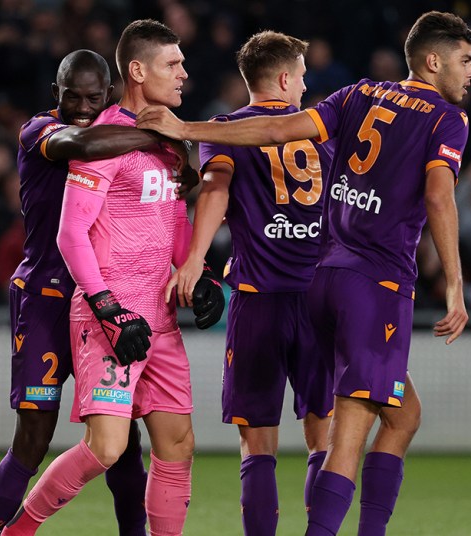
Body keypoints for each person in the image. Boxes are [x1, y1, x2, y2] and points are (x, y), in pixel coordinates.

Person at [138, 11, 471, 535]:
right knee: (336, 435)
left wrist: (184, 136)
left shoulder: (344, 99)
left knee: (366, 421)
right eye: (465, 60)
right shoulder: (428, 118)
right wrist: (454, 283)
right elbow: (436, 193)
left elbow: (245, 160)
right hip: (362, 282)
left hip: (295, 286)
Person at [3, 20, 222, 536]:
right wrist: (106, 306)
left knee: (178, 446)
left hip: (159, 320)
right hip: (110, 316)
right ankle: (18, 529)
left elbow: (173, 223)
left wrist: (200, 272)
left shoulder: (170, 142)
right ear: (139, 70)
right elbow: (70, 233)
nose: (184, 73)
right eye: (174, 64)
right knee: (107, 448)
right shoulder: (102, 138)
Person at [164, 31, 334, 535]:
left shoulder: (225, 129)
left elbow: (215, 189)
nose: (305, 84)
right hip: (319, 299)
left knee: (257, 444)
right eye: (301, 75)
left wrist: (194, 259)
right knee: (324, 438)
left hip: (259, 300)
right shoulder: (324, 130)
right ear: (284, 77)